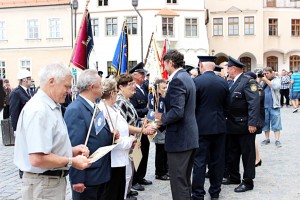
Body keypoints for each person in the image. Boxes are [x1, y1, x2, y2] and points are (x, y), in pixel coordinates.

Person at [14, 63, 91, 200]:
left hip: (47, 184)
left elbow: (47, 146)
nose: (69, 91)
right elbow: (37, 158)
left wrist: (71, 150)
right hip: (43, 185)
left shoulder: (49, 106)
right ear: (51, 82)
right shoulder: (39, 110)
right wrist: (71, 161)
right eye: (66, 86)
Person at [154, 49, 199, 200]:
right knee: (185, 180)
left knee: (179, 181)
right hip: (188, 137)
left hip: (180, 139)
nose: (164, 67)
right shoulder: (186, 76)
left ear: (170, 63)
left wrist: (161, 119)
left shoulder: (177, 79)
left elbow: (177, 111)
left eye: (164, 64)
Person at [64, 69, 115, 200]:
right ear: (92, 87)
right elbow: (76, 144)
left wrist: (112, 135)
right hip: (88, 177)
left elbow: (98, 133)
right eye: (100, 84)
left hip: (100, 173)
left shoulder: (93, 106)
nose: (102, 87)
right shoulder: (76, 109)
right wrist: (77, 179)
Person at [192, 56, 230, 200]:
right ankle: (215, 192)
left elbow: (193, 106)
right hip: (219, 127)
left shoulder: (196, 82)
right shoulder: (223, 82)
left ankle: (198, 194)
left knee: (199, 162)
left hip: (201, 127)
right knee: (217, 161)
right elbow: (228, 105)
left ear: (201, 66)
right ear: (213, 67)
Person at [222, 56, 261, 193]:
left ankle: (248, 181)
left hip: (245, 125)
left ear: (234, 69)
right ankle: (234, 176)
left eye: (228, 68)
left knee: (247, 154)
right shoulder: (232, 82)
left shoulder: (247, 81)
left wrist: (252, 123)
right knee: (232, 152)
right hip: (232, 124)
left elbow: (254, 103)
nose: (227, 70)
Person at [114, 74, 155, 200]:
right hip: (127, 140)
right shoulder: (120, 102)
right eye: (130, 84)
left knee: (131, 169)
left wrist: (142, 120)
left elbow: (132, 118)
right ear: (121, 87)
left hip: (132, 140)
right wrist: (142, 129)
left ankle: (127, 190)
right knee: (127, 172)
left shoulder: (126, 101)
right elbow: (123, 125)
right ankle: (125, 194)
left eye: (133, 84)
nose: (134, 87)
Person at [99, 77, 136, 200]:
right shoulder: (104, 110)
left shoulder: (113, 108)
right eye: (116, 91)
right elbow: (114, 139)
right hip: (114, 160)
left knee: (120, 193)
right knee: (113, 194)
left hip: (120, 159)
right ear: (112, 93)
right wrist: (130, 140)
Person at [129, 62, 152, 191]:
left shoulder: (142, 88)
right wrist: (145, 111)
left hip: (144, 125)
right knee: (137, 153)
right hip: (137, 126)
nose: (144, 77)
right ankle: (135, 179)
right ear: (136, 75)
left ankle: (141, 175)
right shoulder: (133, 90)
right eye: (142, 74)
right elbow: (133, 110)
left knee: (145, 151)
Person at [149, 78, 170, 181]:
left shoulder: (164, 98)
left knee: (165, 150)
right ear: (157, 88)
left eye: (166, 87)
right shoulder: (154, 98)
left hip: (165, 126)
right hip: (159, 127)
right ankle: (159, 172)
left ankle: (165, 169)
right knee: (160, 151)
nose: (165, 90)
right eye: (163, 88)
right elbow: (152, 112)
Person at [260, 67, 282, 147]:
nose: (265, 75)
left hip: (274, 106)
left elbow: (275, 86)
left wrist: (265, 80)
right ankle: (267, 139)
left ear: (272, 72)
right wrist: (259, 80)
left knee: (276, 123)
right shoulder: (263, 81)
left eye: (267, 73)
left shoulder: (276, 79)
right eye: (264, 73)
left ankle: (277, 140)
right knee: (265, 123)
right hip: (264, 106)